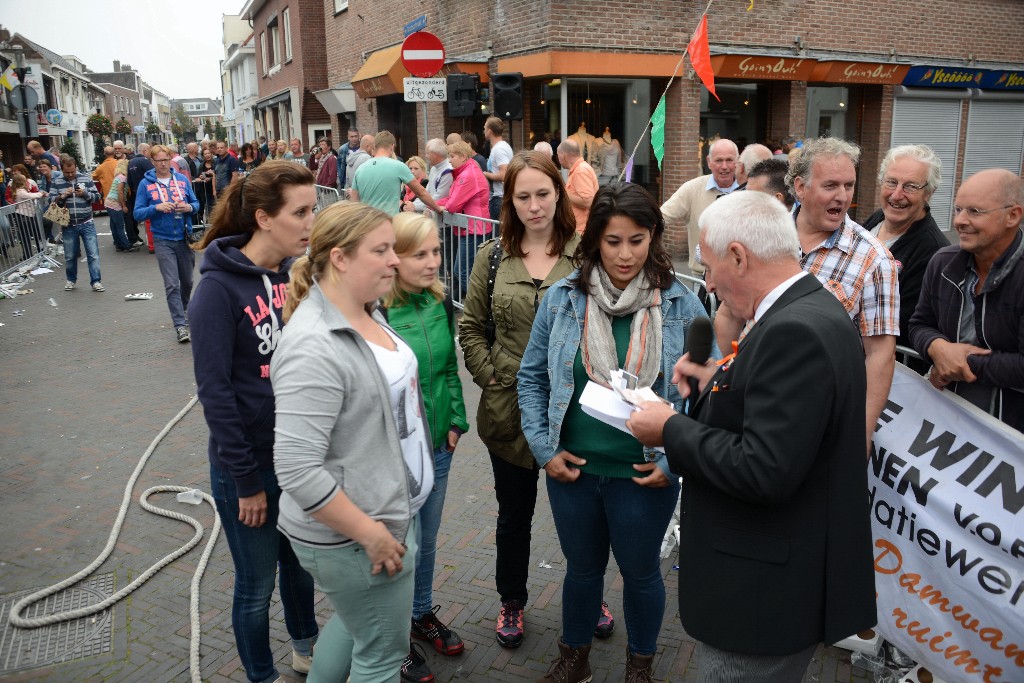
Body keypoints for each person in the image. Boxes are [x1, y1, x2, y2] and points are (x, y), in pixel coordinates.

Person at [626, 190, 876, 682]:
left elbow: (765, 469)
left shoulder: (793, 331)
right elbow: (778, 417)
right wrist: (714, 380)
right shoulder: (809, 309)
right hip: (776, 579)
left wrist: (669, 426)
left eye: (710, 264)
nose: (710, 281)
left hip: (760, 595)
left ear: (738, 255)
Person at [518, 182, 709, 682]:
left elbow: (707, 398)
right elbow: (533, 377)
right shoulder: (563, 299)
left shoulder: (683, 306)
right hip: (574, 472)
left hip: (643, 474)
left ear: (654, 238)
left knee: (641, 573)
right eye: (613, 241)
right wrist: (545, 449)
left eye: (638, 239)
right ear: (595, 241)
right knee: (581, 572)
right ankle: (573, 658)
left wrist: (674, 461)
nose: (626, 254)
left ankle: (639, 665)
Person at [459, 151, 614, 650]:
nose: (533, 206)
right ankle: (511, 600)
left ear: (559, 193)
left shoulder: (587, 253)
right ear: (510, 201)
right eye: (522, 196)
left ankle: (589, 594)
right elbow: (470, 327)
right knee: (514, 515)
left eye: (542, 194)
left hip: (574, 414)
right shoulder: (492, 258)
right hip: (508, 416)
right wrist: (496, 377)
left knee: (583, 514)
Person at [272, 201, 431, 681]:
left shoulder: (365, 309)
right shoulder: (312, 346)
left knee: (356, 625)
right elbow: (297, 469)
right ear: (339, 258)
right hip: (358, 536)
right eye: (381, 250)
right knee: (381, 655)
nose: (395, 260)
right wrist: (371, 534)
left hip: (389, 513)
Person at [190, 161, 321, 683]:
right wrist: (246, 482)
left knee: (300, 567)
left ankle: (306, 650)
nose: (312, 222)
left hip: (295, 457)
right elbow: (215, 395)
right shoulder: (215, 292)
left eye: (314, 209)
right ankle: (261, 675)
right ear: (265, 218)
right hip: (248, 469)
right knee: (255, 584)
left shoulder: (293, 275)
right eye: (302, 212)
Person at [381, 212, 470, 682]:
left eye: (437, 250)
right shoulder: (376, 312)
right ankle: (390, 637)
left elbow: (449, 370)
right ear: (392, 258)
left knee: (427, 542)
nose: (434, 261)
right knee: (397, 546)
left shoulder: (438, 302)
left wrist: (456, 421)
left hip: (437, 446)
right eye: (421, 254)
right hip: (392, 456)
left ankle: (419, 614)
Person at [785, 137, 899, 447]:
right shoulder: (767, 234)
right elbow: (731, 311)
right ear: (800, 186)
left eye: (848, 186)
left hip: (820, 417)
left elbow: (880, 354)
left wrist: (861, 433)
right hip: (754, 399)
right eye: (830, 185)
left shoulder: (873, 259)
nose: (842, 196)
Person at [910, 169, 1024, 432]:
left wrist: (957, 364)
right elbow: (918, 324)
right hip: (948, 423)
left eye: (974, 211)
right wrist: (937, 348)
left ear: (1013, 215)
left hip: (1010, 439)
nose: (959, 220)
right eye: (958, 209)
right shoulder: (942, 262)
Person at [861, 145, 947, 371]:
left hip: (882, 368)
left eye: (910, 186)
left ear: (928, 192)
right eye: (891, 182)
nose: (897, 195)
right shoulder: (876, 219)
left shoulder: (933, 252)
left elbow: (901, 324)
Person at [133, 145, 201, 343]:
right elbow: (137, 213)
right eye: (159, 160)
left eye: (166, 160)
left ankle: (185, 309)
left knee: (187, 281)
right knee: (172, 284)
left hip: (184, 237)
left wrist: (188, 206)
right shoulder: (145, 184)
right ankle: (180, 325)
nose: (163, 164)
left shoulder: (181, 180)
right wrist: (156, 207)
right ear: (152, 162)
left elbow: (196, 204)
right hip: (163, 240)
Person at [660, 138, 739, 276]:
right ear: (709, 161)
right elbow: (660, 217)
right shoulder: (692, 189)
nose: (724, 166)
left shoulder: (749, 190)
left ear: (738, 161)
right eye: (719, 160)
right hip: (703, 277)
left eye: (729, 160)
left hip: (740, 278)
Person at [434, 141, 490, 298]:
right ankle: (480, 307)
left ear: (463, 156)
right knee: (467, 270)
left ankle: (479, 307)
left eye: (452, 156)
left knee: (462, 270)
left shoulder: (467, 175)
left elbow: (452, 205)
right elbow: (451, 200)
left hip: (473, 229)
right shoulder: (467, 171)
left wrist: (435, 206)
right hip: (472, 228)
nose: (449, 160)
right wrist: (433, 205)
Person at [350, 131, 440, 216]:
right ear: (392, 147)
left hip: (367, 223)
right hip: (388, 223)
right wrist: (437, 208)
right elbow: (421, 192)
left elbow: (354, 201)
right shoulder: (398, 166)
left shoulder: (360, 169)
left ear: (375, 147)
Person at [49, 154, 103, 292]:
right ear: (62, 169)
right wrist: (62, 196)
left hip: (87, 222)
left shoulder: (85, 178)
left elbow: (97, 197)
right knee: (70, 255)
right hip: (68, 224)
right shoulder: (57, 181)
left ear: (76, 167)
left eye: (72, 171)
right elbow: (51, 200)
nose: (71, 174)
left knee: (93, 254)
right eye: (67, 172)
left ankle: (96, 281)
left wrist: (85, 194)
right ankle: (71, 280)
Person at [557, 139, 599, 233]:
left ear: (563, 154)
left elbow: (587, 202)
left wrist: (563, 191)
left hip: (582, 231)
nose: (558, 159)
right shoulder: (579, 169)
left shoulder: (580, 171)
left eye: (558, 155)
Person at [405, 139, 453, 214]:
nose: (426, 156)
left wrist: (415, 206)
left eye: (427, 153)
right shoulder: (434, 168)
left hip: (442, 221)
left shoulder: (448, 172)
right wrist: (412, 204)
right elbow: (426, 192)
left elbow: (439, 199)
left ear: (435, 154)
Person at [482, 117, 514, 220]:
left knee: (498, 234)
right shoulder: (499, 147)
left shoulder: (499, 149)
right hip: (498, 197)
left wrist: (485, 174)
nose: (484, 131)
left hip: (499, 198)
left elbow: (504, 175)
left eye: (484, 128)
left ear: (489, 131)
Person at [9, 173, 45, 260]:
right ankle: (27, 255)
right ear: (21, 182)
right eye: (25, 181)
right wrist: (41, 193)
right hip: (23, 216)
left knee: (31, 234)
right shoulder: (20, 192)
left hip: (27, 215)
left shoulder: (21, 190)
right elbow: (31, 196)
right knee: (26, 236)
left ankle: (34, 252)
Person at [127, 143, 155, 252]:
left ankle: (150, 242)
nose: (150, 153)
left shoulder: (131, 162)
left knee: (145, 219)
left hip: (137, 192)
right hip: (148, 192)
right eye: (149, 150)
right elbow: (153, 175)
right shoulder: (144, 161)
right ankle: (152, 244)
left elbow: (128, 180)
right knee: (150, 218)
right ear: (144, 151)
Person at [105, 158, 136, 252]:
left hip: (109, 202)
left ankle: (118, 244)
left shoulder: (118, 176)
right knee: (120, 226)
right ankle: (126, 245)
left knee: (114, 226)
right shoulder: (122, 178)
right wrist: (124, 206)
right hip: (115, 203)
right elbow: (120, 192)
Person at [195, 148, 218, 224]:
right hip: (205, 190)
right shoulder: (201, 166)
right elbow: (198, 176)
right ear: (203, 156)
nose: (207, 155)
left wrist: (210, 178)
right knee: (209, 208)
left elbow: (219, 175)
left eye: (208, 153)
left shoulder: (216, 163)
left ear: (211, 154)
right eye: (205, 154)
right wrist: (200, 178)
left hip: (217, 189)